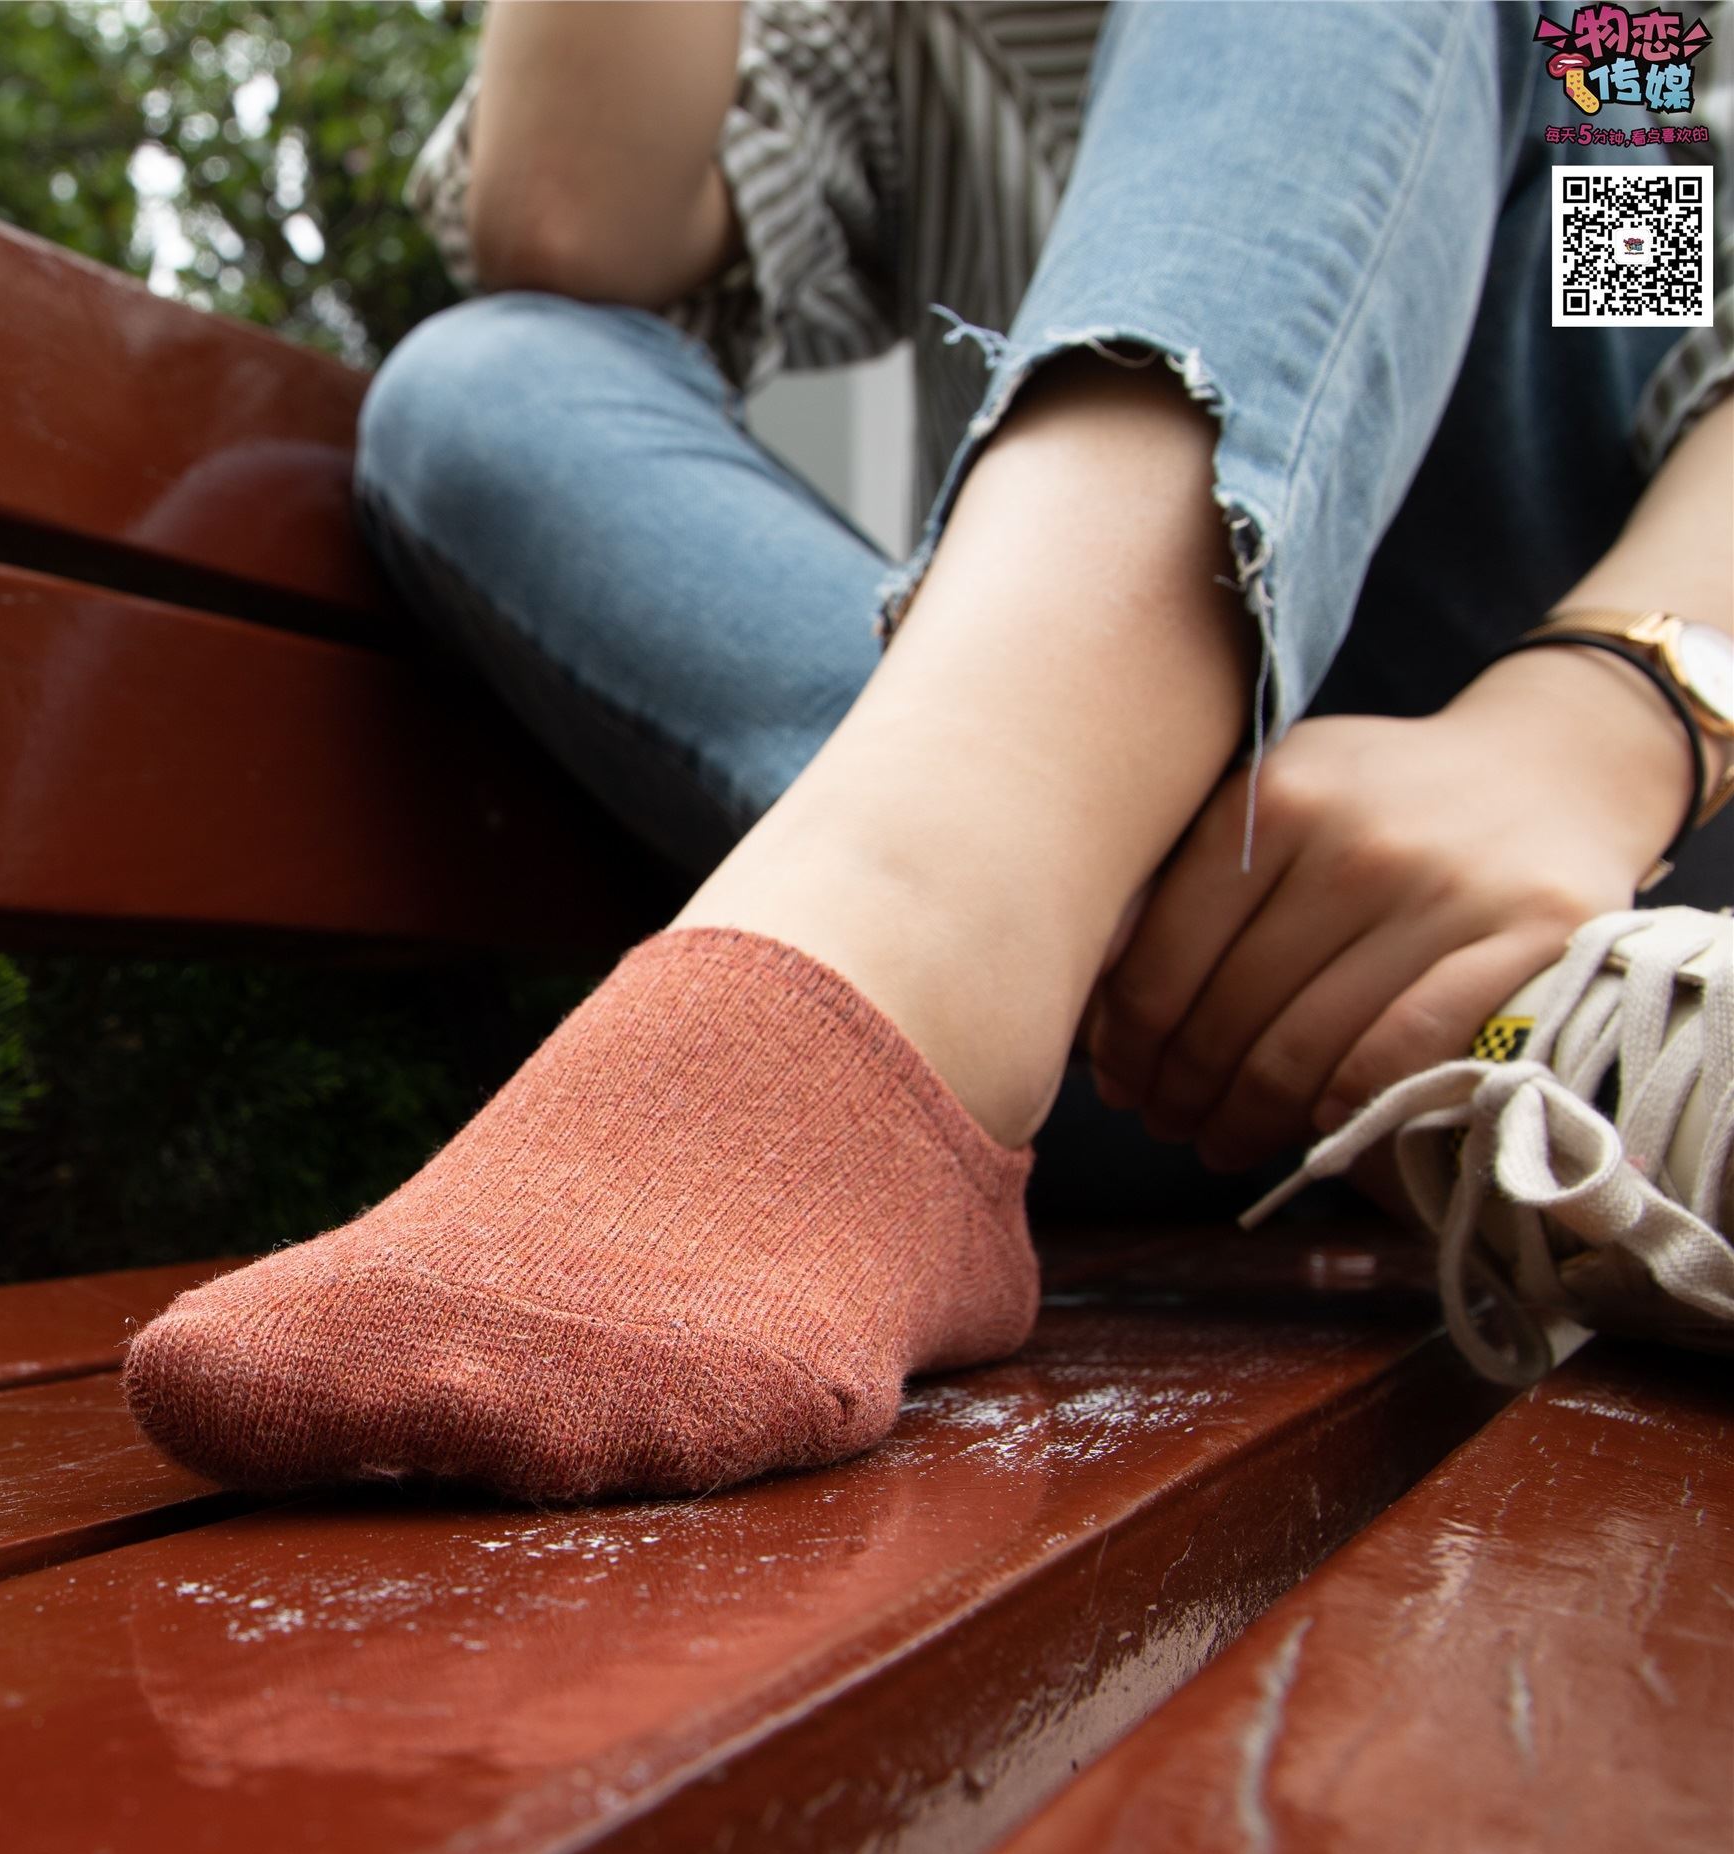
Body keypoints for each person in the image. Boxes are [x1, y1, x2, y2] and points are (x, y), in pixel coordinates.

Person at [123, 1, 1733, 1501]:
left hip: (1609, 839)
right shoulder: (902, 35)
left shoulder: (1609, 28)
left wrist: (1591, 722)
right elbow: (566, 224)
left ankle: (944, 961)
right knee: (487, 386)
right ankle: (993, 924)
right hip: (1136, 1046)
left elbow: (1670, 312)